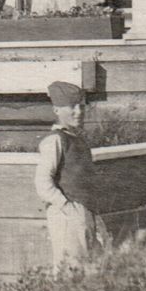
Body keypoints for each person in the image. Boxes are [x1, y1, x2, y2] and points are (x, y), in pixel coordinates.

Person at [35, 80, 103, 268]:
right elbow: (43, 183)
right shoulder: (55, 141)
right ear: (57, 110)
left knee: (91, 266)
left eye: (81, 106)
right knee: (69, 268)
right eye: (71, 107)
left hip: (85, 210)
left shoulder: (76, 140)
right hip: (67, 213)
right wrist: (65, 205)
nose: (78, 112)